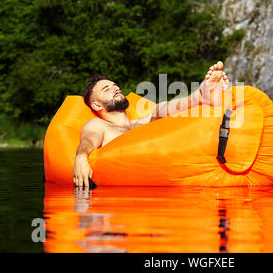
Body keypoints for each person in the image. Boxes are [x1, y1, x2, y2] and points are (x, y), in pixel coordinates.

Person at [73, 61, 230, 187]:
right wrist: (80, 157)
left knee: (159, 111)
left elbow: (160, 111)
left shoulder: (142, 122)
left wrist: (196, 100)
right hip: (125, 205)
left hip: (173, 177)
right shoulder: (98, 125)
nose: (116, 89)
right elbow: (88, 141)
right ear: (97, 105)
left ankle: (199, 98)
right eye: (106, 89)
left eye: (115, 85)